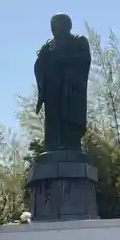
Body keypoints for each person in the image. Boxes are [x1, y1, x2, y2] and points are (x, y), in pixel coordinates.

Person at [34, 13, 91, 152]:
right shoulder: (48, 46)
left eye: (58, 26)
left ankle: (70, 144)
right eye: (53, 26)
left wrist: (62, 59)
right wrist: (42, 89)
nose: (55, 29)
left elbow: (84, 60)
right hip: (52, 90)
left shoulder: (78, 41)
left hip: (70, 90)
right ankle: (52, 145)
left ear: (67, 26)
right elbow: (39, 66)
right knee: (53, 123)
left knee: (69, 121)